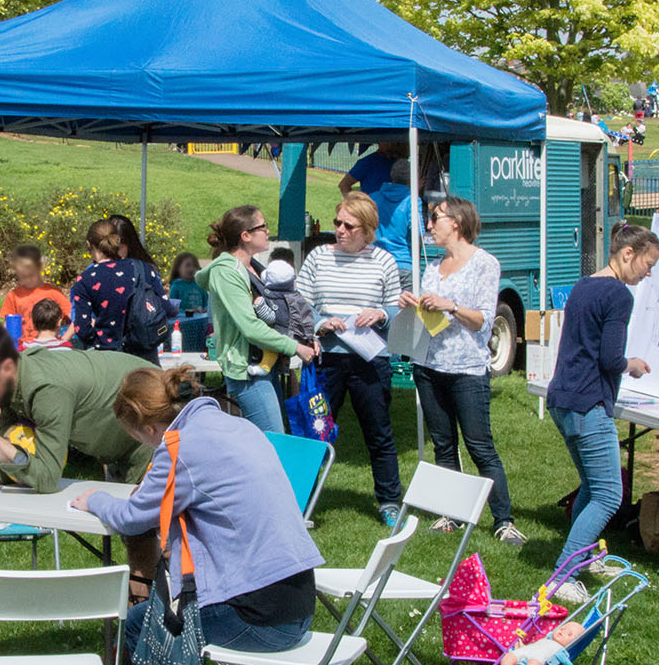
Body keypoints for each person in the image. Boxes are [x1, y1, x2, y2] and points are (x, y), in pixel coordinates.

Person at [75, 366, 323, 665]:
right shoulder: (235, 425)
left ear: (150, 428)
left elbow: (133, 517)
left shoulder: (179, 449)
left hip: (262, 617)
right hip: (298, 600)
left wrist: (94, 499)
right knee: (173, 611)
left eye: (134, 437)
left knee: (143, 623)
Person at [544, 223, 659, 600]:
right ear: (628, 254)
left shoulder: (583, 285)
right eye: (648, 262)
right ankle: (562, 576)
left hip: (563, 398)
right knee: (610, 494)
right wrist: (634, 364)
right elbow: (610, 358)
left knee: (593, 487)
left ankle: (583, 557)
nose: (649, 272)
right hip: (587, 403)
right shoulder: (618, 295)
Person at [399, 196, 520, 547]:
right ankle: (450, 514)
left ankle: (504, 519)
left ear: (456, 222)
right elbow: (427, 315)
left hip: (467, 368)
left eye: (435, 218)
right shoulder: (433, 265)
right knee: (443, 444)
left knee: (480, 445)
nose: (429, 226)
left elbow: (483, 318)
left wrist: (449, 305)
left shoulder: (485, 264)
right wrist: (413, 304)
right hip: (429, 364)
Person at [0, 318, 155, 496]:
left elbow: (46, 479)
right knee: (134, 533)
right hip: (122, 435)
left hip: (152, 424)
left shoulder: (46, 390)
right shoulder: (10, 382)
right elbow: (13, 460)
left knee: (152, 530)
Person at [295, 191, 403, 522]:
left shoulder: (384, 261)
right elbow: (298, 306)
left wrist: (381, 314)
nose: (340, 230)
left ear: (368, 231)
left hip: (369, 361)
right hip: (326, 360)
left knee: (379, 433)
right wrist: (320, 322)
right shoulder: (318, 258)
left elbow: (398, 309)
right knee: (316, 433)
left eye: (349, 225)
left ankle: (389, 502)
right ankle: (301, 501)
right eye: (337, 222)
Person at [200, 206, 314, 435]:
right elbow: (250, 327)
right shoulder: (227, 273)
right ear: (246, 235)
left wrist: (308, 336)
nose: (268, 230)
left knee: (269, 440)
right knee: (273, 440)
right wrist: (296, 347)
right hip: (247, 371)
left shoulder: (255, 268)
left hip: (264, 364)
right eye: (263, 226)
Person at [69, 219, 165, 361]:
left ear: (89, 245)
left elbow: (82, 330)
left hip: (108, 359)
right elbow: (164, 306)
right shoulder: (142, 268)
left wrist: (102, 340)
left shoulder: (85, 280)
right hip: (145, 353)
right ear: (117, 241)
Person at [0, 244, 70, 349]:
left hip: (49, 348)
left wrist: (63, 340)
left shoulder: (53, 292)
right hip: (25, 350)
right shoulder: (13, 295)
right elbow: (9, 325)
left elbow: (75, 318)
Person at [369, 160, 422, 276]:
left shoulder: (373, 198)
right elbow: (418, 233)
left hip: (376, 262)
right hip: (403, 263)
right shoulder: (412, 200)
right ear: (412, 178)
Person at [338, 141, 405, 195]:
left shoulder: (402, 164)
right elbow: (344, 185)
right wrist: (355, 207)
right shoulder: (368, 162)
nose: (394, 144)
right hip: (373, 209)